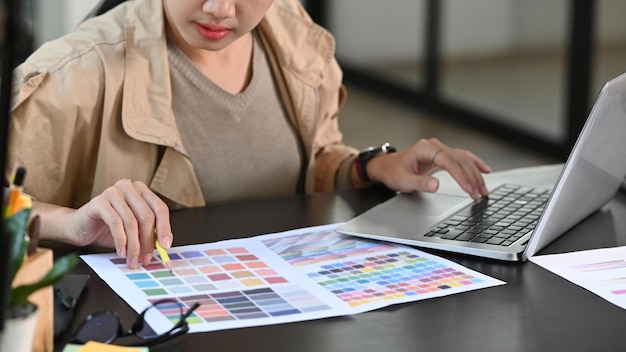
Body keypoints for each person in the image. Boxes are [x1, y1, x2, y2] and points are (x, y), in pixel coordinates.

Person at [5, 0, 491, 269]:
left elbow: (301, 167)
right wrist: (71, 223)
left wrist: (369, 166)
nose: (220, 9)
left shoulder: (290, 32)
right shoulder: (76, 72)